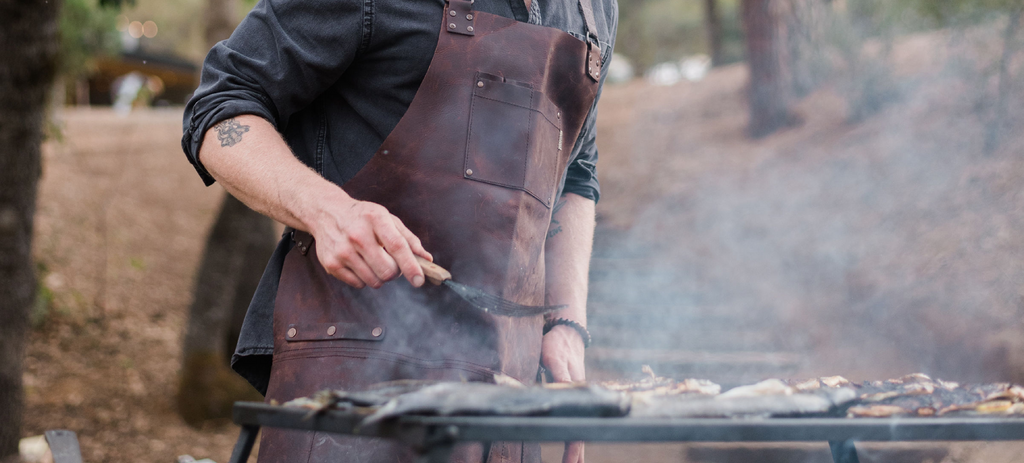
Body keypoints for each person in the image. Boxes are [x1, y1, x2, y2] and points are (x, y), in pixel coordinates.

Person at [181, 0, 616, 461]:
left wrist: (565, 324)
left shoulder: (595, 9)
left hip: (508, 401)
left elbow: (575, 173)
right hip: (352, 396)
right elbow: (221, 103)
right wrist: (325, 210)